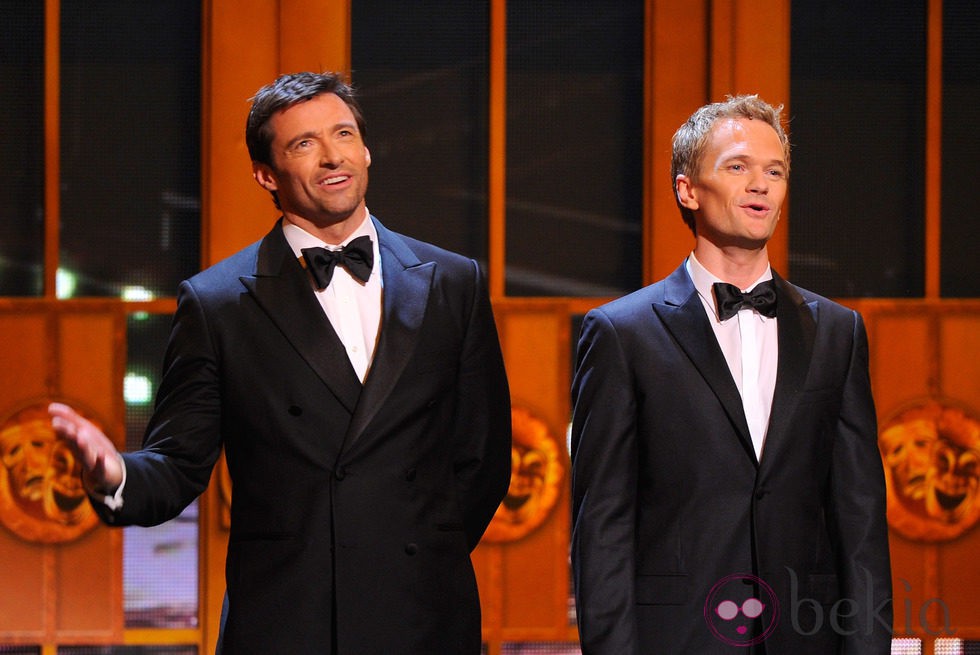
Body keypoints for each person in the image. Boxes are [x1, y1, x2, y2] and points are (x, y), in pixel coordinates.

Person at [49, 71, 512, 654]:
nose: (331, 157)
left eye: (342, 134)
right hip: (286, 620)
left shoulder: (452, 281)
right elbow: (178, 464)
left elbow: (483, 457)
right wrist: (113, 473)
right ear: (266, 174)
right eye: (303, 144)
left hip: (423, 616)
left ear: (366, 148)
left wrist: (419, 552)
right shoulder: (218, 303)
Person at [569, 95, 892, 653]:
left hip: (806, 636)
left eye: (775, 171)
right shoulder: (623, 334)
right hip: (679, 637)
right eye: (738, 167)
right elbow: (604, 527)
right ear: (688, 189)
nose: (761, 185)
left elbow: (860, 519)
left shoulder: (838, 332)